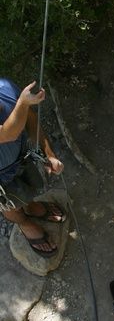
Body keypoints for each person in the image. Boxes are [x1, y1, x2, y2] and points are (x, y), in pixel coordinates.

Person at [0, 78, 65, 257]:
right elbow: (8, 134)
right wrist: (22, 102)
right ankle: (24, 223)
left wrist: (48, 154)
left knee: (26, 190)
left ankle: (30, 206)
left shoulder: (5, 89)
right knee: (9, 205)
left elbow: (30, 119)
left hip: (19, 158)